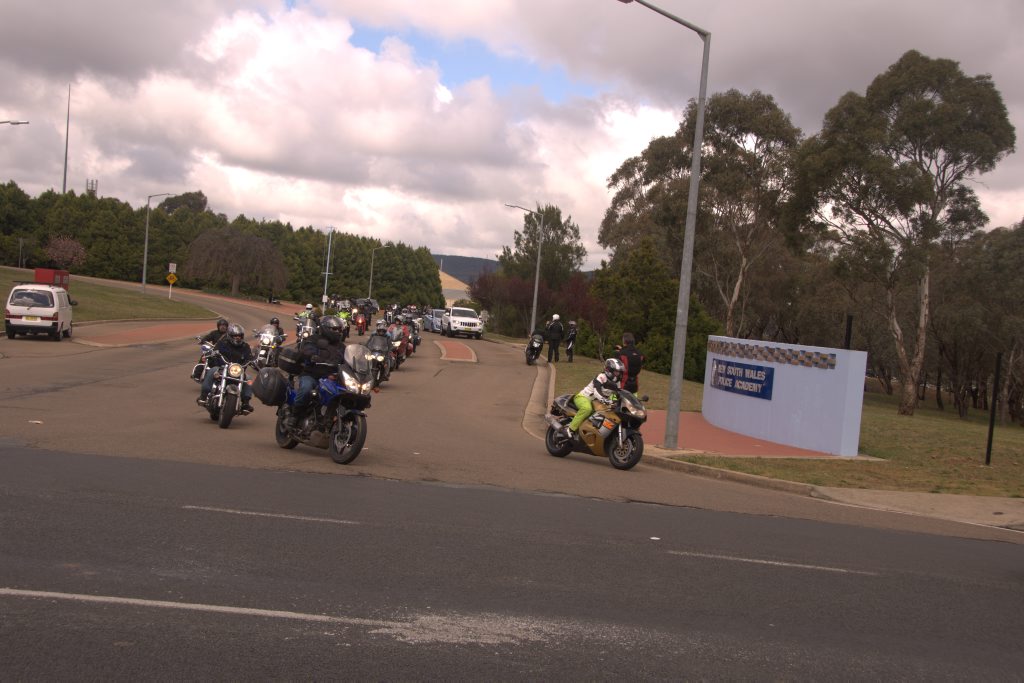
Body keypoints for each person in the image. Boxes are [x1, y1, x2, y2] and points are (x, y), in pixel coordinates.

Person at [287, 315, 346, 428]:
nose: (338, 332)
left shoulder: (341, 347)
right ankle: (294, 415)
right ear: (326, 328)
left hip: (331, 378)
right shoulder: (314, 339)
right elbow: (307, 349)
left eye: (339, 329)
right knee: (306, 389)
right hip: (312, 374)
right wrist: (312, 356)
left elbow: (347, 359)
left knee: (345, 394)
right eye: (335, 329)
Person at [561, 358, 625, 439]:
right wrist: (604, 400)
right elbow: (596, 391)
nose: (618, 374)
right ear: (609, 370)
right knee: (587, 409)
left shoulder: (617, 382)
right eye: (616, 372)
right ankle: (570, 429)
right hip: (584, 397)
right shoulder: (601, 377)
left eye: (619, 372)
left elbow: (616, 394)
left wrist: (617, 401)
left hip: (598, 402)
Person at [197, 323, 254, 413]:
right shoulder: (223, 343)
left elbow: (250, 357)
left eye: (239, 336)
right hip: (222, 368)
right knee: (212, 371)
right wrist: (212, 353)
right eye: (235, 336)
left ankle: (245, 403)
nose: (238, 338)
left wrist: (253, 361)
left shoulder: (245, 346)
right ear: (230, 336)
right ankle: (203, 396)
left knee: (249, 379)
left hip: (238, 371)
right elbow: (215, 350)